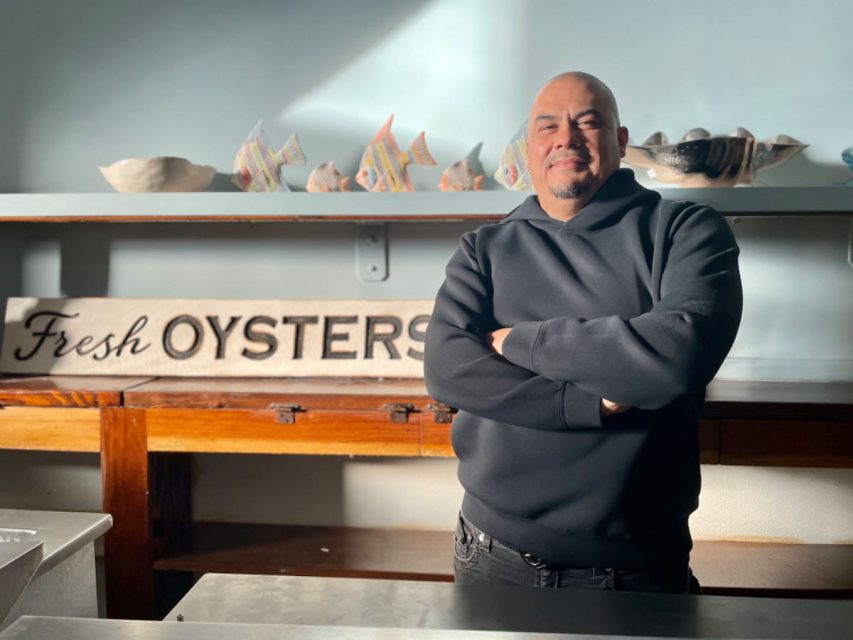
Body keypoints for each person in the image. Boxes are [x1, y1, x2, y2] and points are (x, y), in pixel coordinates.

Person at [423, 72, 743, 593]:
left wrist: (517, 341)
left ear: (620, 142)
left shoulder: (687, 230)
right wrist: (587, 402)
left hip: (635, 569)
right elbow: (447, 368)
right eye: (547, 126)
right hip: (489, 554)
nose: (565, 138)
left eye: (587, 122)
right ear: (530, 149)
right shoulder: (484, 248)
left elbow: (678, 354)